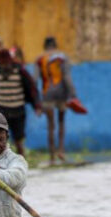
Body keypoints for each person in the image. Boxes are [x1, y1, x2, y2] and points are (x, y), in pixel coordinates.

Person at [0, 49, 41, 157]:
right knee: (1, 140)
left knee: (19, 140)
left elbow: (31, 88)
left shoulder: (20, 70)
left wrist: (36, 105)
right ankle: (1, 163)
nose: (5, 66)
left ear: (10, 61)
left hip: (18, 110)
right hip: (2, 112)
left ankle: (21, 161)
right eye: (2, 63)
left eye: (6, 63)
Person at [35, 36, 78, 165]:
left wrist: (36, 101)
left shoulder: (40, 59)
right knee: (61, 123)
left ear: (45, 46)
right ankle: (61, 151)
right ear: (55, 45)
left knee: (50, 126)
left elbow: (35, 79)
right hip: (62, 94)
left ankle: (52, 157)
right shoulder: (63, 57)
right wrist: (73, 94)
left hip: (47, 94)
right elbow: (67, 77)